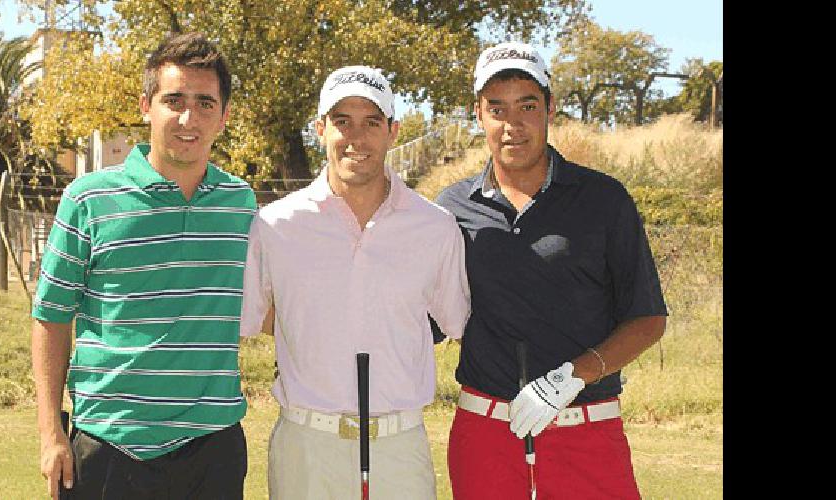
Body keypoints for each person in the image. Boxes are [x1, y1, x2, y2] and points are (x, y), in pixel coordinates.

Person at [435, 42, 668, 499]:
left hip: (586, 431)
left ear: (550, 109)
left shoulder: (603, 200)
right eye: (497, 108)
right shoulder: (450, 210)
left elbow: (648, 318)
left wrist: (572, 377)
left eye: (527, 105)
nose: (512, 124)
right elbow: (422, 318)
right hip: (485, 434)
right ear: (478, 115)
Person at [30, 32, 255, 500]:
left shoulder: (242, 206)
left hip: (212, 450)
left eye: (205, 103)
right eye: (174, 100)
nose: (188, 118)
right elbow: (51, 317)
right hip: (108, 448)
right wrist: (51, 433)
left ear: (224, 115)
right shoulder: (87, 199)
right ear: (146, 105)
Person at [239, 65, 471, 499]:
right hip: (306, 444)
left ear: (393, 131)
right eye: (342, 121)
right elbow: (258, 317)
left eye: (371, 123)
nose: (356, 138)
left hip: (399, 445)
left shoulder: (436, 227)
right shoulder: (275, 224)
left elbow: (456, 322)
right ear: (320, 129)